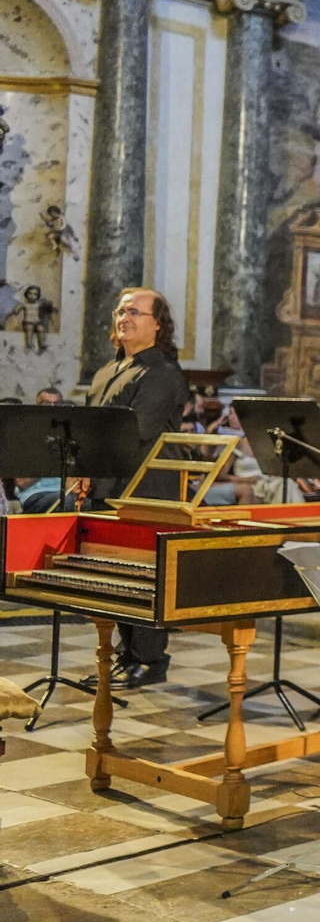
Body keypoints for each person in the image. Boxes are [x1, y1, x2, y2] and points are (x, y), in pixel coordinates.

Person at [78, 288, 191, 689]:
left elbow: (134, 429)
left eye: (134, 312)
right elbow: (92, 427)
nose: (123, 317)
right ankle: (128, 655)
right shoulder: (107, 371)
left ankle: (150, 660)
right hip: (111, 482)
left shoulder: (161, 372)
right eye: (120, 311)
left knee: (145, 575)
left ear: (157, 324)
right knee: (115, 571)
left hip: (149, 487)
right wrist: (82, 469)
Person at [15, 387, 72, 513]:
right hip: (36, 494)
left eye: (56, 404)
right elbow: (22, 482)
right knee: (67, 502)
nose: (51, 409)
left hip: (66, 491)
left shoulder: (68, 435)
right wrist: (49, 458)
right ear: (37, 405)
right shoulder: (25, 436)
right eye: (46, 404)